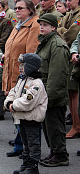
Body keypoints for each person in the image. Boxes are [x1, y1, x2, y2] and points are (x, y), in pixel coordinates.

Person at [3, 0, 40, 157]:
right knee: (16, 112)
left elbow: (31, 54)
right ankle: (20, 145)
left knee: (25, 114)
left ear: (30, 10)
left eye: (21, 8)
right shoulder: (18, 25)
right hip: (11, 74)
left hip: (23, 77)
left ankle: (26, 149)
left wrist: (25, 77)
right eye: (16, 8)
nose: (17, 10)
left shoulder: (34, 25)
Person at [4, 53, 48, 174]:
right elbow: (13, 92)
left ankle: (33, 167)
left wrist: (14, 105)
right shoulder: (23, 80)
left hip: (31, 119)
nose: (21, 67)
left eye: (23, 65)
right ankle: (26, 163)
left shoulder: (36, 84)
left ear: (31, 66)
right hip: (22, 118)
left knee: (33, 143)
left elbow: (28, 102)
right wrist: (8, 103)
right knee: (25, 143)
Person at [36, 13, 70, 167]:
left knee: (55, 125)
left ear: (53, 27)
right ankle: (54, 152)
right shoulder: (46, 42)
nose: (41, 27)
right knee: (49, 126)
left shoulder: (56, 45)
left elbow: (56, 75)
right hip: (45, 91)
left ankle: (60, 154)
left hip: (53, 93)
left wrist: (49, 97)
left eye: (45, 25)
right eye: (41, 24)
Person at [58, 0, 80, 139]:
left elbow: (70, 34)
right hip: (67, 57)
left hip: (74, 58)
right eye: (65, 0)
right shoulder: (68, 15)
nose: (67, 3)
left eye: (70, 0)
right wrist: (61, 29)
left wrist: (60, 29)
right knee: (70, 92)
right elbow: (60, 28)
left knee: (74, 93)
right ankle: (75, 123)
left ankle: (76, 126)